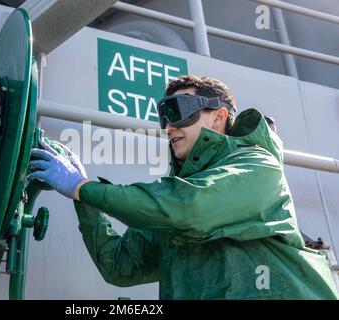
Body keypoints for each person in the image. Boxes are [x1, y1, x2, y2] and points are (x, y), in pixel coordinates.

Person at [28, 75, 339, 300]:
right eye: (165, 117)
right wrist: (85, 198)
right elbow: (120, 267)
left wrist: (81, 187)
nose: (169, 126)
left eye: (180, 111)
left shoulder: (257, 165)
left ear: (219, 117)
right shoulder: (177, 198)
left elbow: (192, 209)